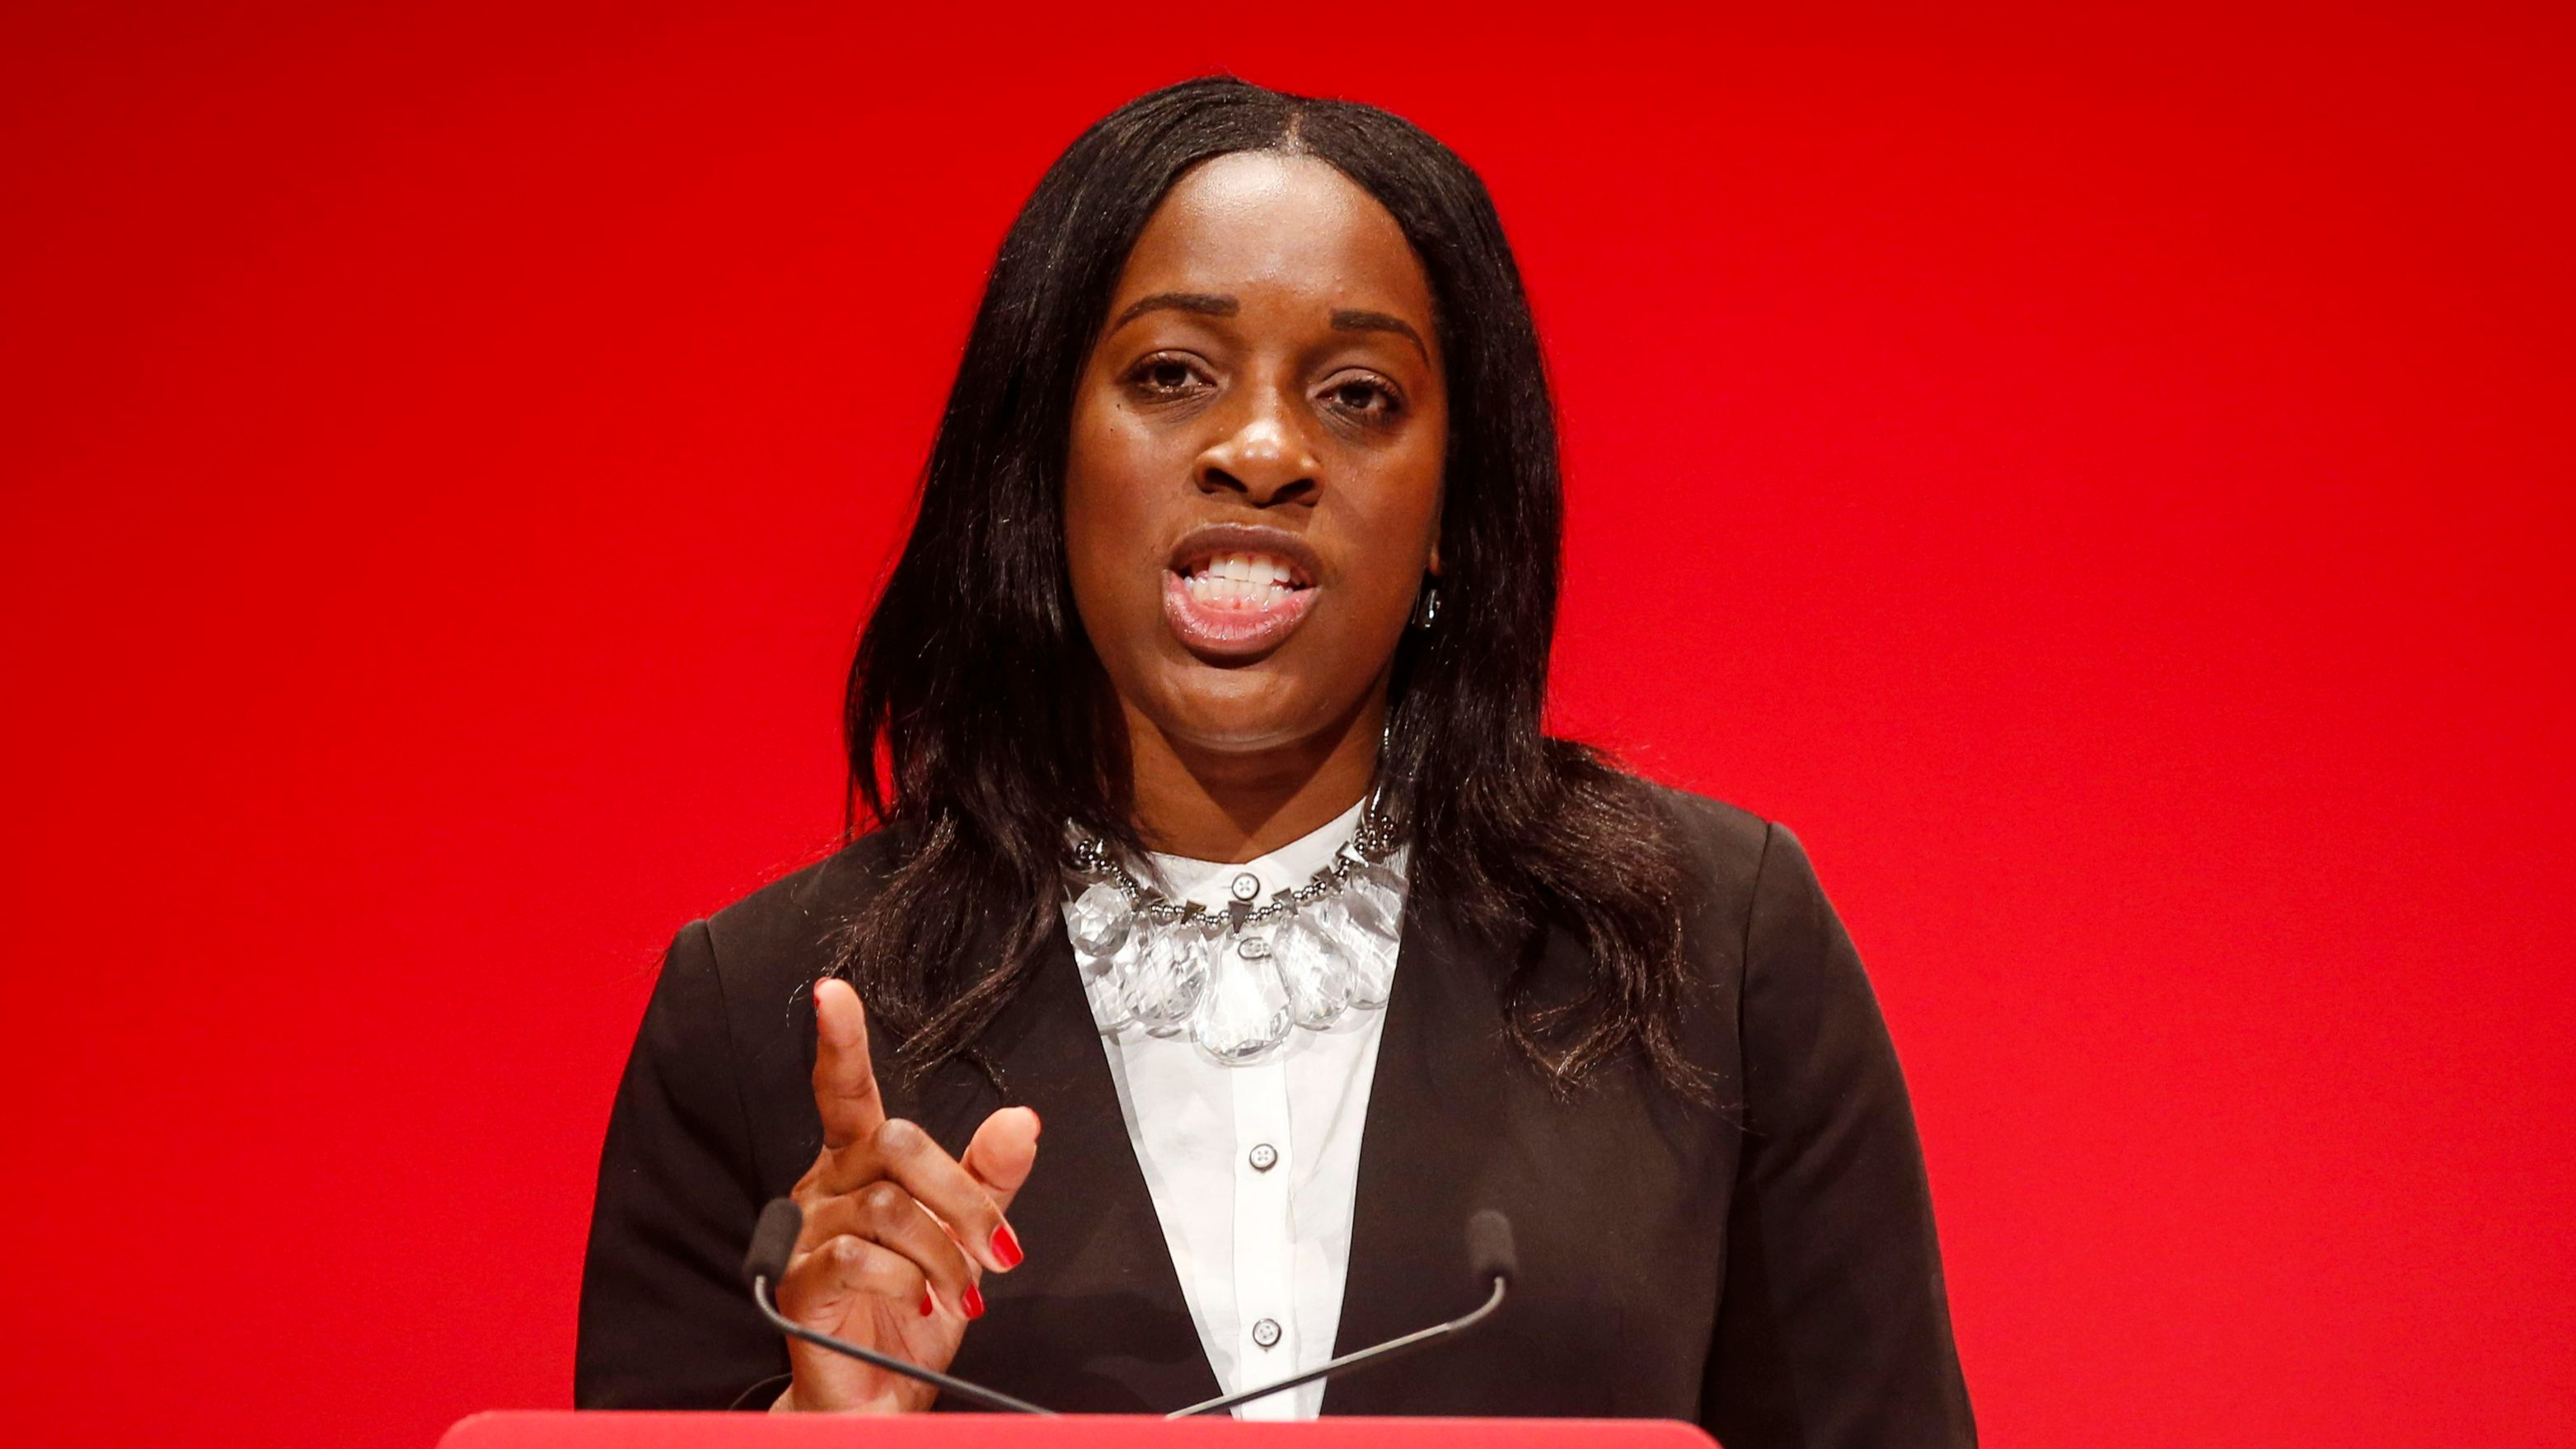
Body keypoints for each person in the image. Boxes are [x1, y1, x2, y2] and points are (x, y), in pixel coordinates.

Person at [575, 77, 1974, 1446]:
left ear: (1451, 504)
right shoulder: (761, 1010)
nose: (1261, 449)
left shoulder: (1712, 942)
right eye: (1170, 374)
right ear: (1043, 453)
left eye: (1358, 394)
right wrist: (816, 1433)